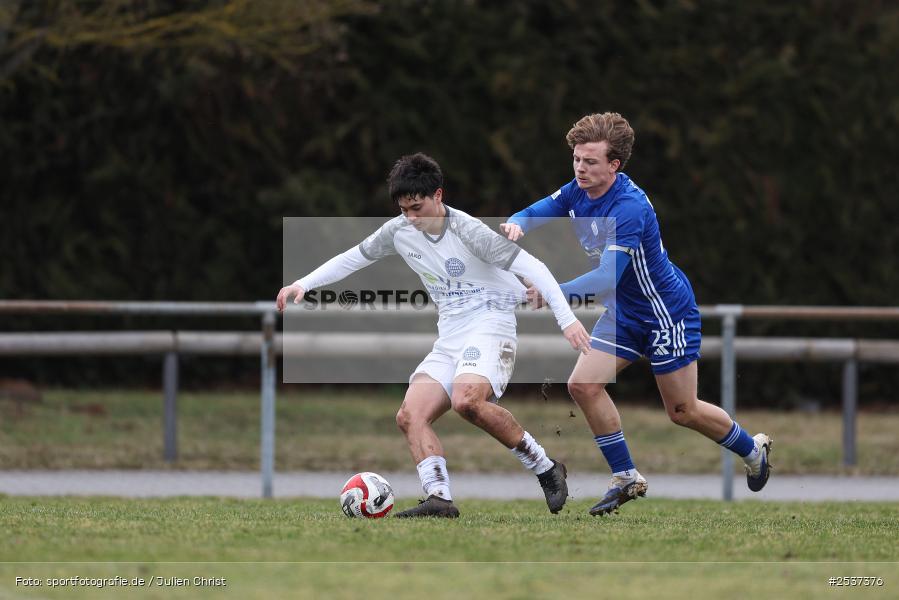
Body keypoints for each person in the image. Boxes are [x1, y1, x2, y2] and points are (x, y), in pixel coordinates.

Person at [277, 152, 592, 518]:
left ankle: (545, 467)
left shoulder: (469, 231)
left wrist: (565, 319)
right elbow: (354, 256)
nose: (411, 218)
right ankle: (439, 498)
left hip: (491, 324)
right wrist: (303, 283)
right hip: (451, 335)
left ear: (438, 195)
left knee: (467, 401)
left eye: (417, 207)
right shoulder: (399, 230)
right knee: (410, 415)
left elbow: (534, 267)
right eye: (404, 210)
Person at [500, 112, 772, 516]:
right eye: (576, 159)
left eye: (590, 162)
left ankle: (753, 450)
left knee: (683, 411)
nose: (580, 168)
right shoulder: (578, 189)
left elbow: (608, 276)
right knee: (583, 385)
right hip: (625, 313)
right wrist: (517, 225)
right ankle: (626, 477)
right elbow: (538, 210)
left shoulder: (629, 206)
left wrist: (552, 294)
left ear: (615, 165)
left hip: (666, 313)